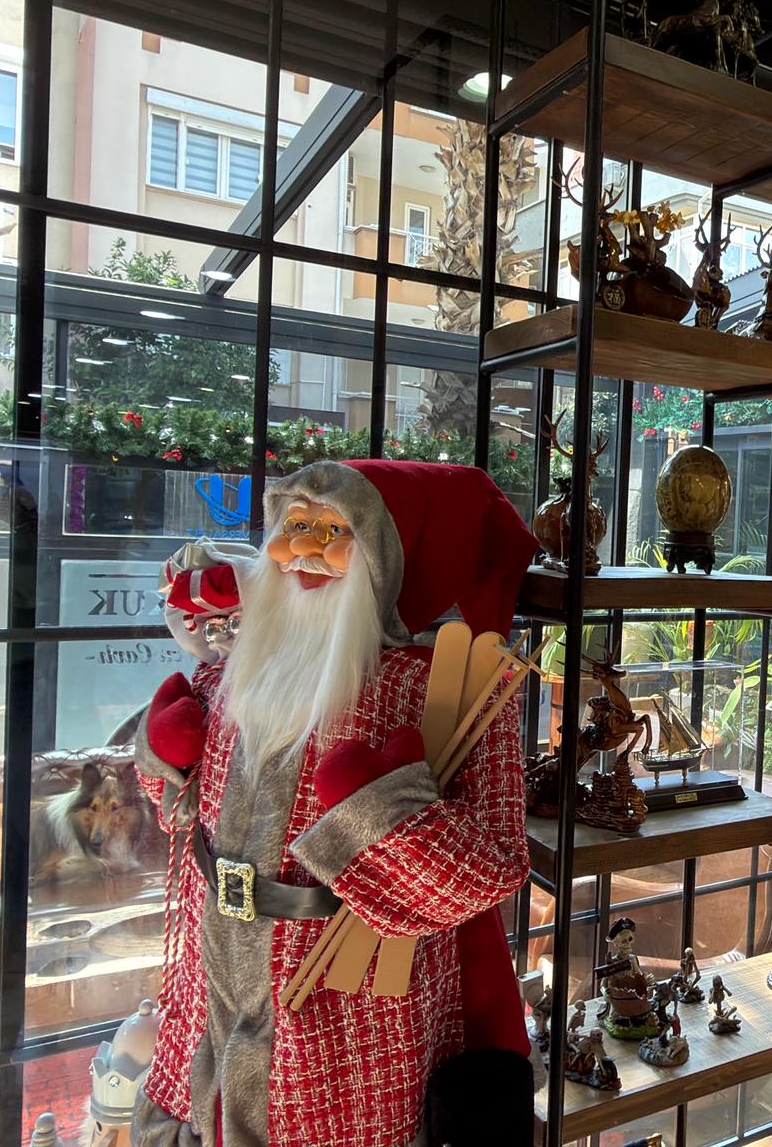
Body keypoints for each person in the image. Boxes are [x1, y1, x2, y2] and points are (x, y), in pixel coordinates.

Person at [133, 460, 538, 1147]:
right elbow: (185, 808)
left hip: (351, 1005)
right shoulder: (241, 666)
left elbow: (494, 867)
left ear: (389, 555)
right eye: (295, 526)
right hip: (213, 966)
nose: (305, 550)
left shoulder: (444, 689)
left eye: (334, 531)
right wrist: (169, 762)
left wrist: (381, 814)